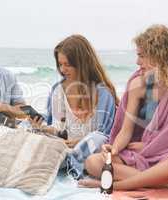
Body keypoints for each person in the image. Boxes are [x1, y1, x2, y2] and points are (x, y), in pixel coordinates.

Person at [79, 24, 168, 190]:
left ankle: (116, 185)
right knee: (93, 162)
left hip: (166, 157)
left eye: (142, 56)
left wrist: (154, 145)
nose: (137, 62)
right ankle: (160, 182)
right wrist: (114, 149)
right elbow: (126, 131)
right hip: (143, 156)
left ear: (159, 56)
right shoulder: (139, 84)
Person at [31, 35, 118, 179]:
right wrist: (42, 128)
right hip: (65, 146)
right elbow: (59, 128)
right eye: (60, 64)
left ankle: (71, 163)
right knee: (29, 132)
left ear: (82, 63)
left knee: (97, 139)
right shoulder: (58, 90)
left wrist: (79, 142)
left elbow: (105, 135)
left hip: (91, 149)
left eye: (68, 64)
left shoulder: (102, 93)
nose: (63, 69)